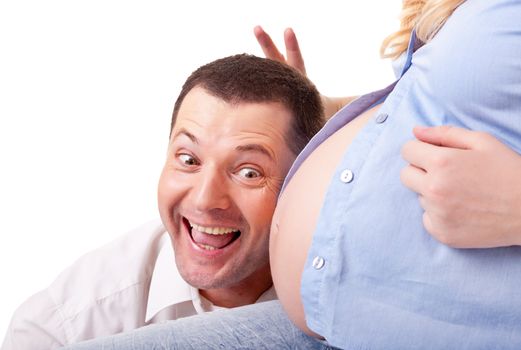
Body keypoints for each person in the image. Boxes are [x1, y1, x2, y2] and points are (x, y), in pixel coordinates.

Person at [64, 0, 521, 349]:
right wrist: (316, 119)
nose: (205, 197)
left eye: (246, 170)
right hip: (340, 316)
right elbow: (434, 105)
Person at [1, 54, 324, 350]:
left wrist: (335, 129)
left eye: (249, 172)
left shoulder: (340, 279)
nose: (204, 199)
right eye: (188, 159)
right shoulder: (59, 329)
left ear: (302, 183)